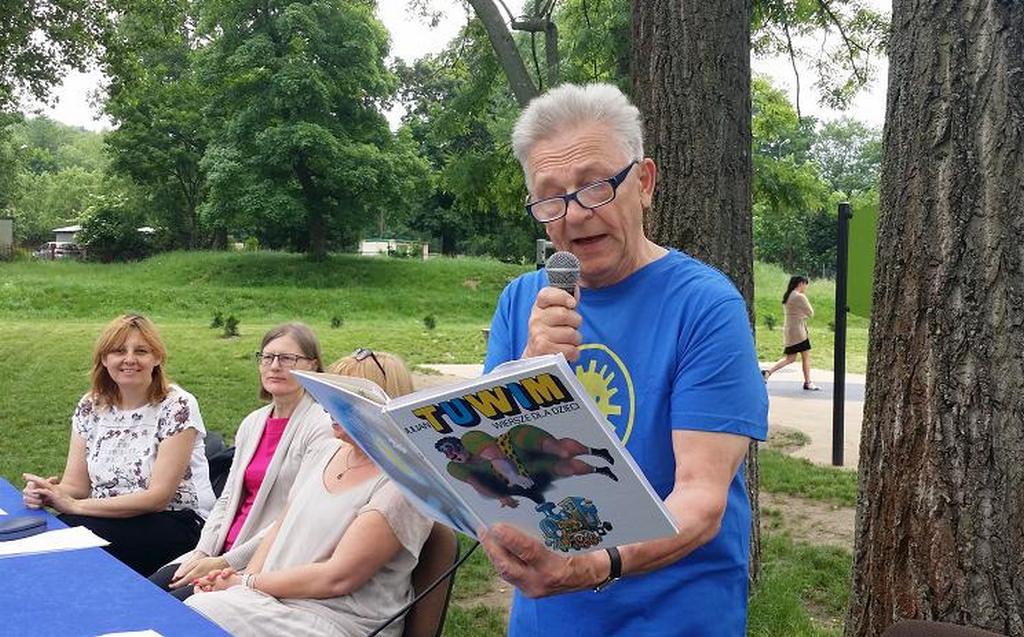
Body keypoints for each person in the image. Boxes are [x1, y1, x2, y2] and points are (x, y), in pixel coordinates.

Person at [479, 83, 769, 636]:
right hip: (546, 618)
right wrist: (528, 371)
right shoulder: (522, 302)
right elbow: (498, 469)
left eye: (594, 187)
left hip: (671, 618)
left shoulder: (705, 306)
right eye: (551, 197)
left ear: (644, 183)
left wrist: (593, 566)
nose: (575, 215)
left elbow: (702, 500)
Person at [184, 351, 433, 637]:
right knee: (197, 608)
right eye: (327, 396)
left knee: (198, 616)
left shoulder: (403, 483)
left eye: (342, 401)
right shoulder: (326, 450)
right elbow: (281, 527)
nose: (328, 407)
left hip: (336, 621)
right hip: (274, 602)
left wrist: (247, 585)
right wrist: (243, 583)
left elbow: (338, 578)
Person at [149, 323, 334, 598]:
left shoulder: (321, 427)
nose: (274, 366)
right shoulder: (253, 422)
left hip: (262, 560)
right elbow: (227, 498)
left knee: (174, 606)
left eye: (287, 359)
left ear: (312, 366)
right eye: (267, 357)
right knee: (145, 591)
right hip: (221, 547)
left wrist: (224, 562)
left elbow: (295, 515)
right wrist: (202, 552)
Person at [21, 314, 215, 576]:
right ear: (104, 359)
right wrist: (50, 492)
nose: (130, 359)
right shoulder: (91, 406)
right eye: (118, 351)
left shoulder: (177, 405)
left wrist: (74, 505)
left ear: (157, 358)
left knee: (72, 552)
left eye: (142, 351)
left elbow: (157, 498)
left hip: (175, 520)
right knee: (52, 536)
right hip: (105, 516)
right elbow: (76, 487)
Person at [434, 425, 617, 508]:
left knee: (561, 452)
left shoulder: (469, 439)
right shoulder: (455, 468)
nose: (452, 455)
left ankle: (596, 451)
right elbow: (477, 485)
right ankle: (600, 470)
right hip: (526, 468)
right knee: (566, 468)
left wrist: (513, 478)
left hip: (516, 443)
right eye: (447, 453)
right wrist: (502, 496)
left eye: (453, 449)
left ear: (459, 444)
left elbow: (496, 456)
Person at [762, 275, 819, 390]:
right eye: (805, 285)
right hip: (799, 332)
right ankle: (808, 382)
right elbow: (811, 313)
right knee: (805, 356)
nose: (806, 288)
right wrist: (803, 316)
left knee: (790, 358)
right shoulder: (799, 297)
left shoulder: (788, 296)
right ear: (801, 283)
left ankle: (768, 372)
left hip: (790, 331)